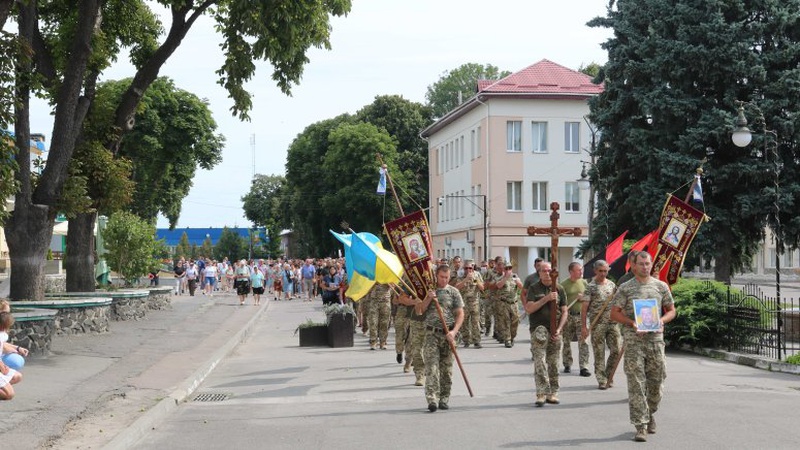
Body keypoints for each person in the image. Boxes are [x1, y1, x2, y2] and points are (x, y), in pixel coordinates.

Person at [610, 251, 676, 442]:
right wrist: (632, 323)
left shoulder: (660, 286)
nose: (645, 267)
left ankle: (650, 412)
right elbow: (614, 314)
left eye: (647, 263)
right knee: (637, 383)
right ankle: (641, 425)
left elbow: (671, 310)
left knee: (656, 383)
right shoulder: (625, 288)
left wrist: (662, 320)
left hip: (655, 341)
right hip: (634, 341)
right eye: (641, 264)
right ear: (633, 265)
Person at [418, 264, 464, 412]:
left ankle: (444, 398)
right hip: (432, 334)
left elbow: (460, 314)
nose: (444, 280)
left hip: (448, 334)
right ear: (436, 276)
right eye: (442, 277)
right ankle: (432, 398)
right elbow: (419, 310)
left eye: (447, 277)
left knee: (446, 369)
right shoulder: (428, 291)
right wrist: (428, 298)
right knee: (432, 367)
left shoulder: (454, 292)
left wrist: (454, 332)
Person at [523, 261, 568, 407]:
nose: (547, 273)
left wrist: (560, 329)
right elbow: (529, 308)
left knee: (554, 363)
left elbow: (565, 311)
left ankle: (553, 393)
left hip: (555, 331)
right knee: (540, 362)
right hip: (539, 330)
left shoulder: (559, 288)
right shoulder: (534, 288)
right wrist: (546, 298)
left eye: (549, 270)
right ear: (539, 273)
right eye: (544, 271)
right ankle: (541, 393)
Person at [580, 259, 621, 390]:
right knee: (599, 353)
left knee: (616, 350)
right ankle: (601, 379)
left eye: (605, 271)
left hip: (613, 323)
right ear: (595, 271)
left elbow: (619, 303)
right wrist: (584, 327)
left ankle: (609, 374)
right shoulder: (590, 287)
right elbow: (584, 307)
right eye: (601, 271)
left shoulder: (612, 285)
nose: (603, 273)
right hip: (597, 324)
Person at [560, 262, 591, 376]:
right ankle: (567, 363)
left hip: (581, 316)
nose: (581, 272)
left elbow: (588, 298)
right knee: (566, 341)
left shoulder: (584, 283)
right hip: (568, 316)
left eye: (581, 270)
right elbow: (560, 302)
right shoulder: (563, 285)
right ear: (571, 272)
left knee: (583, 341)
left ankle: (584, 367)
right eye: (578, 270)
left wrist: (583, 298)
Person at [455, 259, 484, 348]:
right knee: (464, 323)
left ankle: (477, 341)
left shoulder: (477, 275)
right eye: (466, 268)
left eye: (470, 268)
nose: (468, 270)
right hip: (463, 303)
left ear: (473, 268)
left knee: (475, 322)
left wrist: (475, 280)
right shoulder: (460, 275)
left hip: (474, 303)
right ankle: (466, 340)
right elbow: (456, 288)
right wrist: (466, 280)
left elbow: (482, 288)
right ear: (463, 268)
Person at [494, 261, 522, 348]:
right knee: (506, 322)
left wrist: (518, 282)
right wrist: (506, 277)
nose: (508, 270)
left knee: (515, 322)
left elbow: (522, 287)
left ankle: (512, 337)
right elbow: (498, 285)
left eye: (510, 268)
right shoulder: (500, 277)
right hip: (504, 303)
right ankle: (507, 340)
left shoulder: (515, 277)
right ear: (503, 269)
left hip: (514, 303)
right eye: (506, 268)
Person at [392, 289, 417, 371]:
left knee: (410, 338)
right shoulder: (400, 285)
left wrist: (411, 301)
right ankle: (399, 352)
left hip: (413, 312)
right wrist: (404, 300)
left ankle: (408, 362)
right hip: (401, 312)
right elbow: (395, 301)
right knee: (399, 336)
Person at [0, 312, 23, 400]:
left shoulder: (2, 335)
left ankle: (3, 385)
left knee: (17, 377)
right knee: (9, 395)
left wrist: (16, 348)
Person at [366, 283, 393, 350]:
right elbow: (366, 287)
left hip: (385, 301)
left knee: (384, 323)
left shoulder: (389, 275)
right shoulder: (372, 274)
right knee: (373, 322)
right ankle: (373, 342)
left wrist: (387, 282)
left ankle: (383, 342)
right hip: (374, 301)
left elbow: (393, 286)